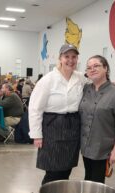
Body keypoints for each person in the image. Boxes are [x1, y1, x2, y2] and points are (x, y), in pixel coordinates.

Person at [28, 44, 86, 185]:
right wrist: (37, 135)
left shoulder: (80, 78)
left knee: (67, 168)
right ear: (60, 58)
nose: (70, 60)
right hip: (52, 126)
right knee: (53, 170)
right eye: (67, 57)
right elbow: (35, 109)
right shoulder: (47, 80)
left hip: (72, 127)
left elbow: (96, 85)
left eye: (74, 57)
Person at [79, 55, 115, 183]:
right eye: (89, 67)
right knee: (87, 179)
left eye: (96, 66)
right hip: (85, 146)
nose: (92, 69)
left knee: (97, 183)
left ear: (106, 68)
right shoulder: (85, 89)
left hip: (103, 149)